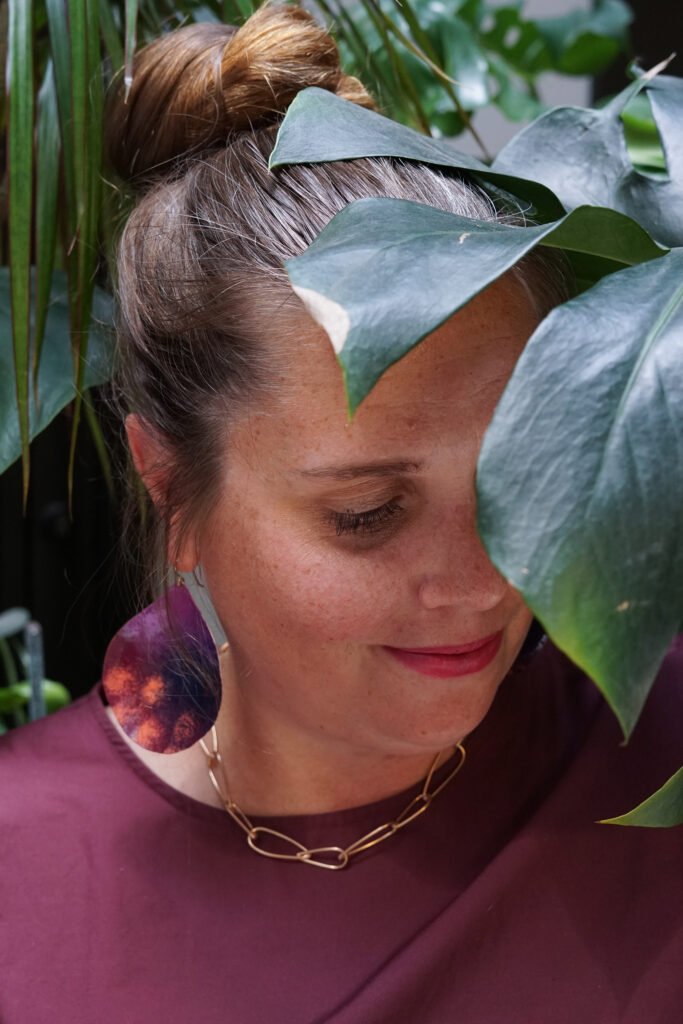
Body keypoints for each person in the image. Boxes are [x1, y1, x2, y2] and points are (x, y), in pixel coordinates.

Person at [0, 5, 681, 1022]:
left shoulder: (652, 750)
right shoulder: (28, 867)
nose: (486, 580)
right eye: (366, 513)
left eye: (517, 475)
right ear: (167, 484)